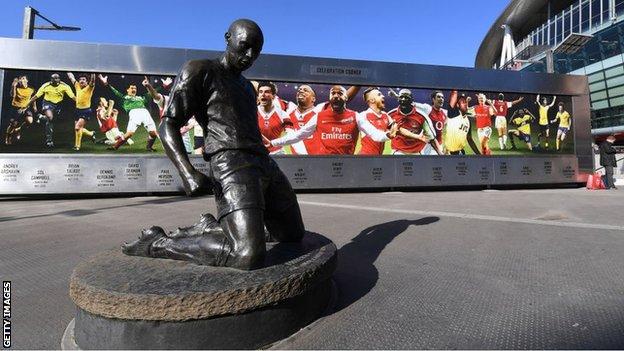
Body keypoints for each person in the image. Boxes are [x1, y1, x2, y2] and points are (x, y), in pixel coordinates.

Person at [123, 19, 306, 270]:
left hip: (262, 161)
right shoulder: (200, 70)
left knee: (291, 233)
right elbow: (169, 124)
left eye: (256, 51)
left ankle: (212, 228)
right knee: (247, 254)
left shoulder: (246, 87)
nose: (250, 56)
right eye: (244, 46)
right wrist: (187, 172)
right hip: (231, 162)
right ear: (227, 38)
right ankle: (158, 243)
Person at [266, 85, 397, 155]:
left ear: (346, 98)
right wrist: (273, 142)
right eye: (333, 93)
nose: (336, 96)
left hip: (347, 164)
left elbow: (374, 134)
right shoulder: (319, 116)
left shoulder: (355, 116)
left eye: (339, 93)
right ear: (329, 98)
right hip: (324, 164)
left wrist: (387, 135)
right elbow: (298, 135)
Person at [98, 75, 160, 151]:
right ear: (127, 90)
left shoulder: (141, 98)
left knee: (153, 134)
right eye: (132, 88)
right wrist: (106, 84)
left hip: (145, 112)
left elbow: (153, 93)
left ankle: (149, 147)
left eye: (135, 88)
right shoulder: (123, 98)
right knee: (129, 134)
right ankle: (115, 147)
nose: (134, 89)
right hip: (134, 113)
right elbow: (114, 91)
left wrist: (163, 86)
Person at [22, 73, 76, 148]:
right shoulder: (45, 86)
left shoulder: (65, 86)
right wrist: (26, 105)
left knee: (52, 119)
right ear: (51, 79)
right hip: (47, 103)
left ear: (59, 79)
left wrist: (80, 103)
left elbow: (72, 96)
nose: (55, 80)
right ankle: (49, 140)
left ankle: (40, 117)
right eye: (53, 78)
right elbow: (35, 96)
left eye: (57, 78)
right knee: (50, 118)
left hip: (58, 104)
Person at [387, 89, 439, 155]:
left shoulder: (422, 116)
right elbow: (381, 133)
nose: (403, 100)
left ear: (412, 100)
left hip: (416, 152)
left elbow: (431, 138)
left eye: (406, 98)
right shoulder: (391, 115)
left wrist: (441, 155)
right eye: (401, 97)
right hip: (398, 152)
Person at [256, 81, 292, 154]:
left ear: (274, 96)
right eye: (260, 92)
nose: (263, 94)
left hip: (277, 153)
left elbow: (291, 135)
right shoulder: (251, 113)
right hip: (257, 153)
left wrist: (274, 143)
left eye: (267, 92)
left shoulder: (283, 115)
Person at [358, 87, 393, 155]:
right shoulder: (362, 116)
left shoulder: (386, 115)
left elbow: (396, 129)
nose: (383, 96)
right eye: (379, 95)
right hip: (365, 157)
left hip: (378, 158)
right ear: (372, 100)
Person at [67, 72, 96, 151]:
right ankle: (77, 146)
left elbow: (93, 80)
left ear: (87, 81)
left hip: (86, 111)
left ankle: (90, 134)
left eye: (83, 79)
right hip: (77, 110)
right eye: (80, 79)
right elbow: (71, 77)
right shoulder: (77, 86)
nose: (81, 81)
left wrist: (93, 72)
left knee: (77, 127)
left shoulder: (89, 88)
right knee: (77, 130)